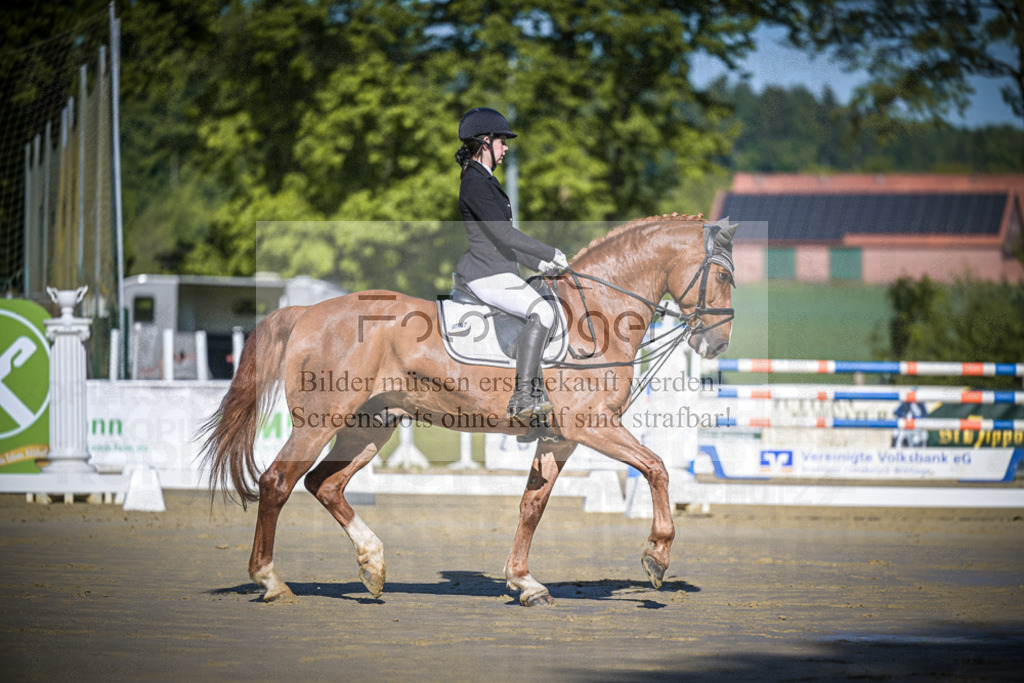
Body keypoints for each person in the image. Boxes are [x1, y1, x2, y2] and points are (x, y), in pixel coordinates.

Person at [454, 107, 569, 422]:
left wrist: (539, 262)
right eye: (502, 141)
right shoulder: (475, 182)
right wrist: (549, 251)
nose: (505, 148)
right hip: (486, 274)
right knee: (543, 312)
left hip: (497, 269)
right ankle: (523, 395)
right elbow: (504, 234)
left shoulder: (483, 180)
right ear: (485, 141)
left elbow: (501, 242)